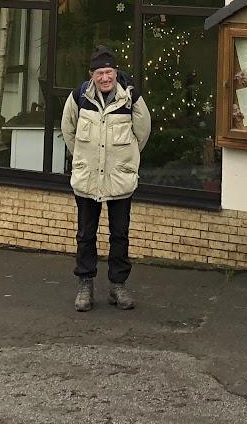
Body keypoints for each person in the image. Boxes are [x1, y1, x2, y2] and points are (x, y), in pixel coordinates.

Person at [60, 46, 152, 312]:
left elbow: (142, 133)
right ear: (92, 75)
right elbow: (68, 130)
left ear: (116, 72)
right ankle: (85, 285)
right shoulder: (79, 97)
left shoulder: (131, 98)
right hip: (87, 179)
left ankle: (118, 286)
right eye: (99, 73)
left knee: (119, 235)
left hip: (119, 179)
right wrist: (83, 158)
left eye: (108, 72)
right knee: (85, 235)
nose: (104, 78)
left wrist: (125, 160)